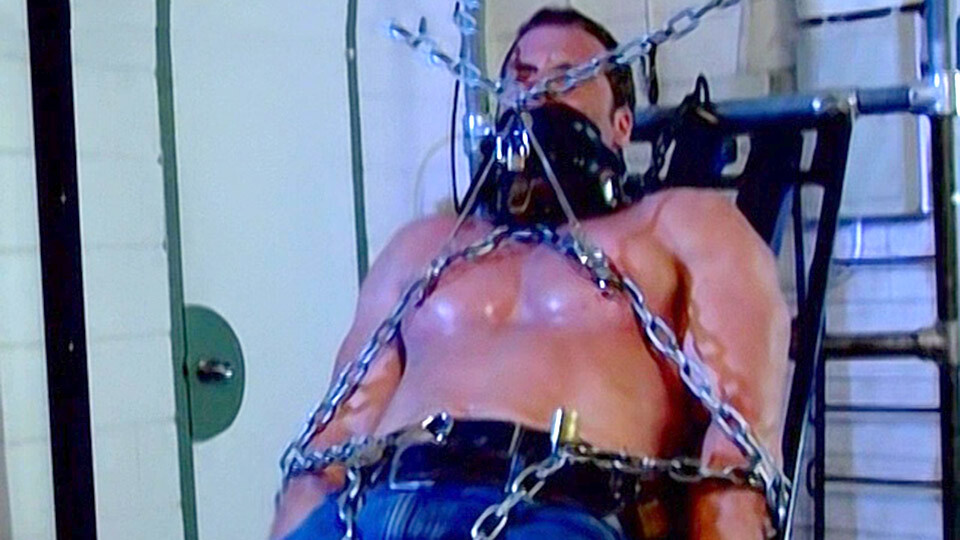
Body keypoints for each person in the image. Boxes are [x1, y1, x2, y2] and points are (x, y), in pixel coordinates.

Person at [271, 8, 790, 540]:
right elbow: (330, 441)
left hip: (549, 514)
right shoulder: (426, 243)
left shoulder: (680, 225)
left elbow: (739, 443)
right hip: (372, 511)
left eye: (567, 76)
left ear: (621, 125)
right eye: (522, 76)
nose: (539, 92)